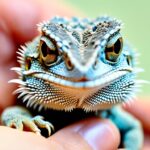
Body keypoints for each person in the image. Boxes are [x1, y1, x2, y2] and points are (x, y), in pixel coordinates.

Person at [0, 0, 149, 149]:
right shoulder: (28, 106)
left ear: (128, 60)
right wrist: (17, 120)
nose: (83, 70)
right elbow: (12, 113)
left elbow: (132, 129)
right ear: (29, 63)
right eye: (49, 52)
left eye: (113, 49)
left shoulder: (112, 114)